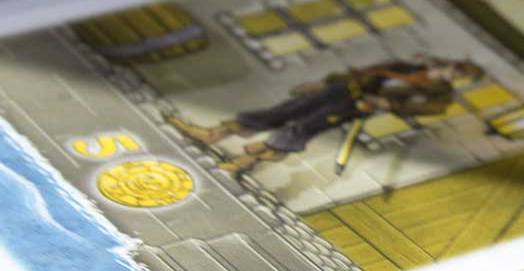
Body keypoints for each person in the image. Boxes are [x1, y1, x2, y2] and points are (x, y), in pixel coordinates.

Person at [166, 56, 484, 174]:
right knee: (284, 111)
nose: (451, 72)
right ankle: (214, 134)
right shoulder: (410, 66)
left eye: (459, 74)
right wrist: (325, 82)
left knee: (304, 127)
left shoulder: (439, 94)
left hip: (358, 105)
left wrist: (391, 105)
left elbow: (429, 109)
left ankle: (245, 162)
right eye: (456, 67)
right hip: (342, 90)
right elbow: (365, 72)